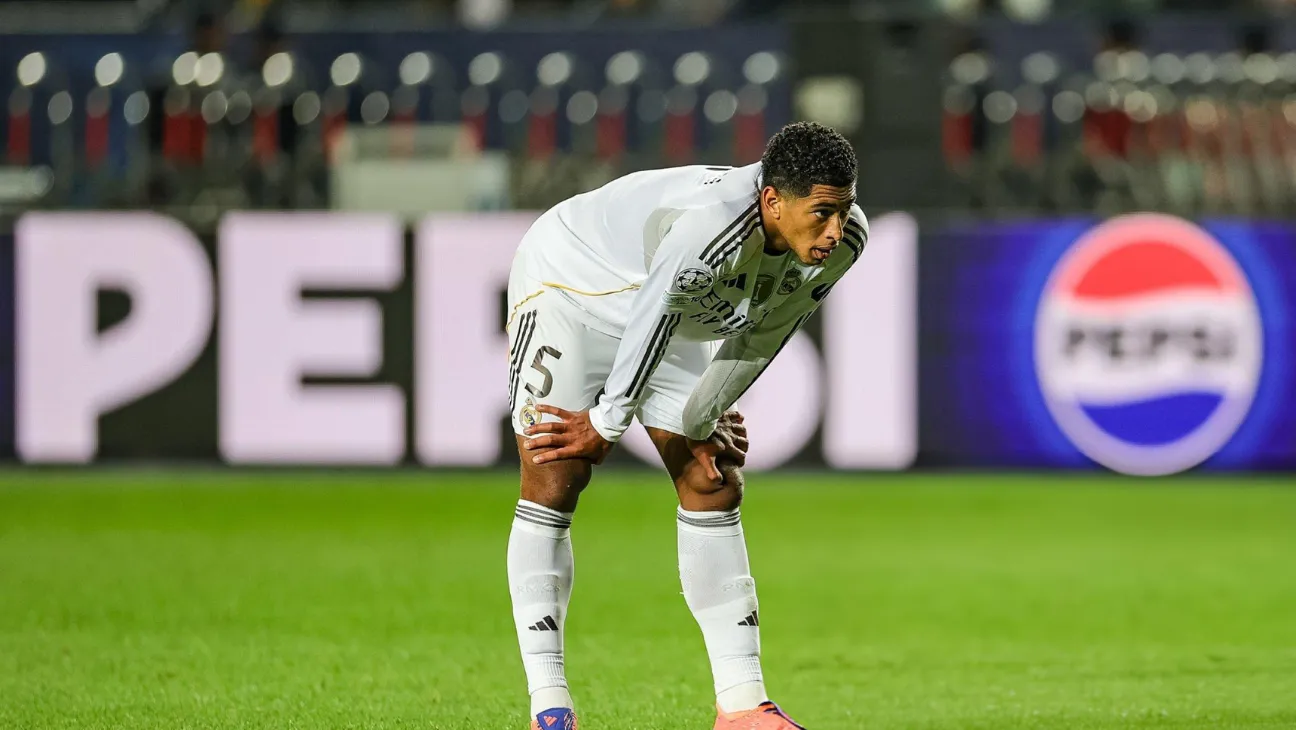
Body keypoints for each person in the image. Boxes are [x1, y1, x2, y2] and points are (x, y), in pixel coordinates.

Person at [505, 121, 867, 730]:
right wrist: (606, 423)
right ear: (773, 201)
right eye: (822, 213)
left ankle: (742, 706)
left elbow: (765, 333)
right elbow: (651, 316)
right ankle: (550, 706)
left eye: (844, 209)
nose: (835, 229)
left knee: (711, 476)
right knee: (556, 470)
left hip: (671, 308)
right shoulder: (710, 229)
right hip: (570, 283)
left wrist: (706, 413)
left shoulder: (849, 240)